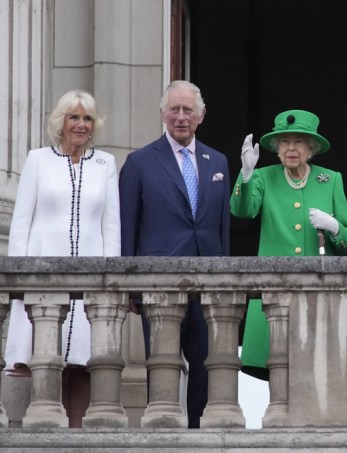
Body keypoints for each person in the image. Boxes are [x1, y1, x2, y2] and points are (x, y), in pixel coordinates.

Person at [119, 80, 231, 428]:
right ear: (163, 113)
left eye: (188, 110)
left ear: (201, 115)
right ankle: (162, 435)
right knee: (163, 366)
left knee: (206, 366)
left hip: (208, 284)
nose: (181, 117)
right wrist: (131, 287)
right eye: (174, 110)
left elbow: (221, 228)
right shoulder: (138, 162)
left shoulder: (219, 162)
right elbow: (128, 229)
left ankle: (198, 436)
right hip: (160, 285)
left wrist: (224, 282)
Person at [5, 89, 120, 427]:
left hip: (90, 279)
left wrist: (111, 281)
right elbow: (21, 223)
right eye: (74, 117)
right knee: (43, 359)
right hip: (42, 276)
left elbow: (111, 227)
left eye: (86, 118)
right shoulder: (38, 160)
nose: (81, 124)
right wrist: (17, 280)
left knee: (83, 363)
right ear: (61, 122)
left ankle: (78, 439)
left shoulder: (105, 164)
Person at [231, 109, 347, 380]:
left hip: (317, 292)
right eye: (284, 142)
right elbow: (243, 211)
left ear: (311, 147)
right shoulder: (264, 177)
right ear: (276, 148)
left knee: (318, 373)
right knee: (276, 368)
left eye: (298, 141)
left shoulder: (331, 179)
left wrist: (334, 227)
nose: (290, 148)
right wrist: (246, 174)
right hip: (275, 290)